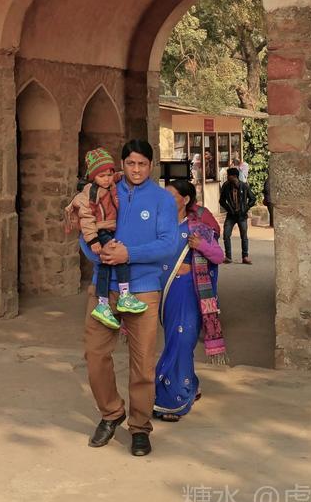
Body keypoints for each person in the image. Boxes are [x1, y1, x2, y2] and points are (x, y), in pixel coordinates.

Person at [82, 139, 178, 458]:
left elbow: (168, 243)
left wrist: (129, 254)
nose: (136, 170)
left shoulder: (162, 200)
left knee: (143, 363)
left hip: (143, 289)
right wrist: (99, 254)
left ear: (151, 165)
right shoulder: (104, 191)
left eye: (142, 164)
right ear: (122, 164)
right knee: (95, 354)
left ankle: (139, 427)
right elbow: (85, 231)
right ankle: (111, 412)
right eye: (131, 163)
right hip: (104, 288)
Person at [154, 179, 226, 422]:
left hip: (188, 293)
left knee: (182, 341)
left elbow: (218, 256)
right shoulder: (159, 227)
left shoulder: (198, 227)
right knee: (175, 341)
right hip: (166, 293)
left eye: (171, 196)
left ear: (185, 200)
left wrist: (201, 245)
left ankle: (173, 400)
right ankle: (191, 384)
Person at [64, 147, 147, 329]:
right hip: (100, 232)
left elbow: (118, 175)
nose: (107, 179)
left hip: (108, 229)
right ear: (93, 176)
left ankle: (102, 304)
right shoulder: (90, 194)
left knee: (105, 266)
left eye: (109, 175)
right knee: (119, 256)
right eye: (102, 176)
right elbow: (86, 218)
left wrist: (127, 172)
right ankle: (124, 296)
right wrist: (93, 241)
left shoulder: (109, 184)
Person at [219, 166, 254, 264]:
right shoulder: (226, 186)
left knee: (244, 236)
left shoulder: (244, 186)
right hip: (231, 215)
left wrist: (246, 208)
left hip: (242, 215)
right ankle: (228, 257)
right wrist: (228, 208)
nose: (227, 177)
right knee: (226, 235)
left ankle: (245, 257)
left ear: (234, 176)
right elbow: (221, 201)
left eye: (229, 175)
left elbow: (253, 198)